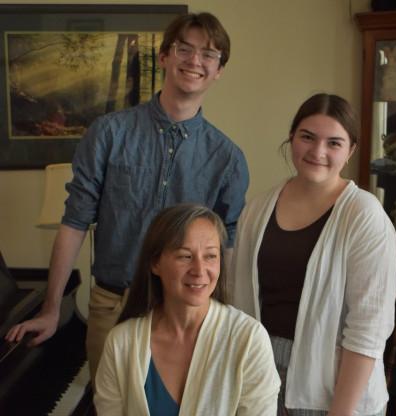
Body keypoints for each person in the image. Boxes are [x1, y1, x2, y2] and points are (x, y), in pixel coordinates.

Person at [5, 12, 249, 381]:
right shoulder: (108, 134)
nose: (194, 60)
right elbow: (74, 223)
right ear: (165, 56)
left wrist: (226, 319)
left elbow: (226, 248)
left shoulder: (228, 158)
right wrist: (52, 309)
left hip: (188, 316)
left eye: (208, 54)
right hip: (112, 307)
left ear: (219, 71)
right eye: (184, 48)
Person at [230, 93, 396, 416]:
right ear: (291, 138)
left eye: (333, 142)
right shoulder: (258, 209)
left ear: (351, 149)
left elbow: (369, 327)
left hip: (336, 388)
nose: (317, 150)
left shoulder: (364, 217)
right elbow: (238, 303)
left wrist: (342, 415)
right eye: (307, 137)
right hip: (265, 381)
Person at [94, 203, 281, 416]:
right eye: (184, 256)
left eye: (210, 256)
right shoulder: (121, 342)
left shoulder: (249, 338)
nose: (199, 269)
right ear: (155, 262)